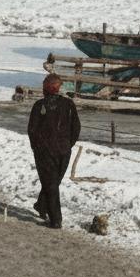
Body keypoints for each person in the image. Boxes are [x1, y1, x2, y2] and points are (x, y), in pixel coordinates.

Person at [28, 73, 81, 229]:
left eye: (44, 85)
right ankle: (42, 206)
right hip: (63, 150)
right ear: (58, 88)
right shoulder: (68, 104)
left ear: (47, 87)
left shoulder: (40, 105)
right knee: (52, 182)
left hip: (48, 150)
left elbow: (32, 130)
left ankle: (56, 219)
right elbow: (76, 128)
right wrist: (67, 144)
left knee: (51, 183)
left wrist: (38, 148)